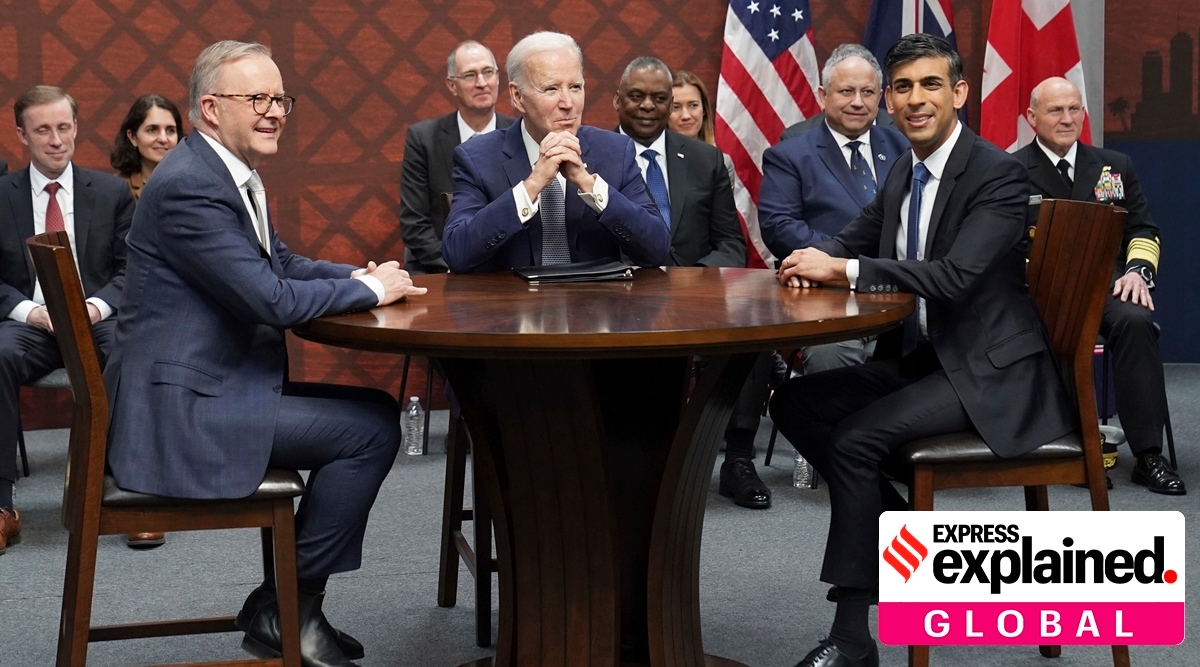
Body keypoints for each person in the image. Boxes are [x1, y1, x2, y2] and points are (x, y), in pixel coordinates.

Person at [103, 41, 426, 666]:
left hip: (214, 386)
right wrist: (366, 290)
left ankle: (280, 602)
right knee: (368, 431)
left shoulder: (225, 172)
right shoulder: (191, 186)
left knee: (375, 415)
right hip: (181, 412)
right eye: (257, 99)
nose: (275, 110)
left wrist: (367, 273)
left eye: (280, 99)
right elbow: (271, 299)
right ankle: (291, 607)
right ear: (210, 108)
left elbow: (281, 263)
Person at [770, 35, 1075, 667]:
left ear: (959, 93)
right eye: (903, 87)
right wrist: (811, 261)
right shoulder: (904, 169)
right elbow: (850, 240)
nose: (915, 100)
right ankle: (907, 537)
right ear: (889, 101)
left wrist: (845, 270)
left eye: (931, 85)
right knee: (795, 402)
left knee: (855, 443)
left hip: (993, 372)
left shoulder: (997, 172)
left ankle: (852, 638)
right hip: (932, 359)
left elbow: (955, 276)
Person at [614, 57, 774, 507]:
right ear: (617, 100)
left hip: (697, 296)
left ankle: (737, 459)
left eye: (659, 99)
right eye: (637, 96)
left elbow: (729, 244)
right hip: (622, 299)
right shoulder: (594, 155)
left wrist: (689, 284)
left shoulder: (705, 161)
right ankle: (637, 457)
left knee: (756, 325)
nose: (648, 106)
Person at [1016, 76, 1183, 495]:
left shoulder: (1114, 166)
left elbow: (1142, 227)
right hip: (1036, 290)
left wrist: (1136, 273)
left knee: (1136, 321)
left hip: (1106, 286)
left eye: (1075, 109)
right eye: (1056, 110)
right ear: (1032, 117)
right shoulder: (1008, 171)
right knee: (1056, 332)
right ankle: (1076, 450)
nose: (1068, 118)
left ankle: (1148, 455)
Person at [0, 86, 135, 556]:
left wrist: (95, 307)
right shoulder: (1, 195)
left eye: (63, 127)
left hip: (93, 314)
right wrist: (28, 311)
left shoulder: (114, 192)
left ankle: (130, 494)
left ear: (75, 127)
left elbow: (131, 269)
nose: (56, 139)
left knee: (126, 348)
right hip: (30, 323)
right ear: (22, 134)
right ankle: (1, 508)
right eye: (42, 130)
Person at [442, 31, 669, 273]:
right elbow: (457, 253)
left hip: (595, 305)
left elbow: (657, 249)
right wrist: (533, 184)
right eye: (551, 89)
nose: (568, 102)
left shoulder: (614, 151)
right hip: (511, 306)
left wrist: (588, 184)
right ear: (518, 96)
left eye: (575, 87)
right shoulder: (477, 158)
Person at [759, 44, 908, 376]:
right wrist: (838, 264)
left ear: (881, 97)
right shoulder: (791, 154)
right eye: (847, 91)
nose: (858, 101)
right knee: (831, 362)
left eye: (867, 92)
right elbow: (778, 226)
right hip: (828, 297)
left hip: (898, 291)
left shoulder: (906, 148)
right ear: (823, 95)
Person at [400, 41, 514, 275]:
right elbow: (415, 222)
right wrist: (455, 265)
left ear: (498, 78)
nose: (482, 83)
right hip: (441, 268)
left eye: (488, 72)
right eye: (470, 75)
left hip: (508, 269)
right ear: (452, 85)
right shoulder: (424, 138)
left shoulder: (519, 134)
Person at [110, 94, 184, 201]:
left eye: (170, 130)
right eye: (152, 130)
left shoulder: (193, 185)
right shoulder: (117, 190)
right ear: (133, 137)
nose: (163, 139)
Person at [668, 70, 715, 145]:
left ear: (704, 110)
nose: (685, 116)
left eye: (693, 105)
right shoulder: (655, 156)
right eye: (676, 107)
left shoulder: (718, 156)